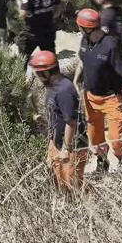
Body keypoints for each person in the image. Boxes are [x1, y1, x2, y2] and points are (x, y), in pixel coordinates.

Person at [73, 9, 122, 173]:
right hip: (90, 97)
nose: (78, 29)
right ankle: (102, 162)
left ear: (87, 27)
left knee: (116, 139)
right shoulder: (85, 40)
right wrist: (76, 79)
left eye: (79, 26)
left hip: (111, 98)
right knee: (95, 138)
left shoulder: (110, 45)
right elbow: (82, 60)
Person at [30, 51, 89, 192]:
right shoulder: (53, 87)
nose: (37, 77)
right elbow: (57, 117)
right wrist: (51, 145)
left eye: (38, 74)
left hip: (72, 147)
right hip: (58, 144)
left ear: (46, 73)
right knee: (58, 183)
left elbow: (71, 122)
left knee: (71, 186)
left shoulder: (64, 90)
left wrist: (66, 149)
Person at [18, 0, 63, 69]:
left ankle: (19, 84)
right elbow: (58, 9)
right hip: (48, 31)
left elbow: (23, 13)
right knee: (51, 62)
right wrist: (47, 16)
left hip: (31, 33)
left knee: (21, 63)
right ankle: (56, 83)